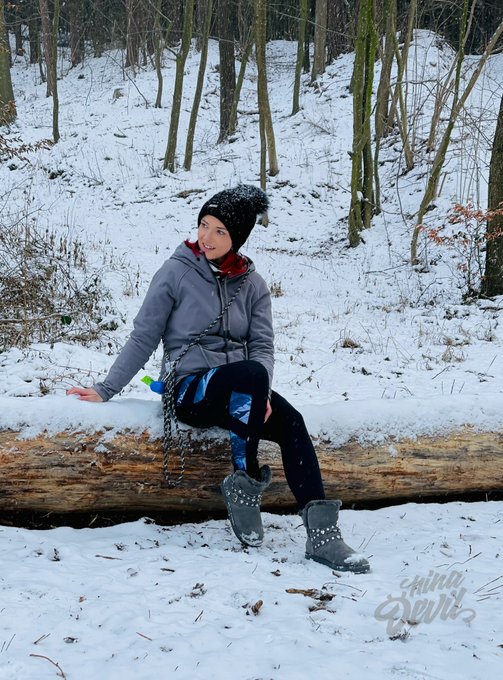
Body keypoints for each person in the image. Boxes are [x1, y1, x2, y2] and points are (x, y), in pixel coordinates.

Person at [68, 185, 370, 574]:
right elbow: (144, 335)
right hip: (191, 389)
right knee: (251, 373)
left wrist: (259, 395)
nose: (206, 237)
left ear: (237, 239)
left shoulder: (253, 286)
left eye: (219, 231)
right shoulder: (175, 272)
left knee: (292, 421)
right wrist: (105, 389)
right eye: (203, 225)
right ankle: (243, 482)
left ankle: (324, 537)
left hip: (243, 388)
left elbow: (262, 346)